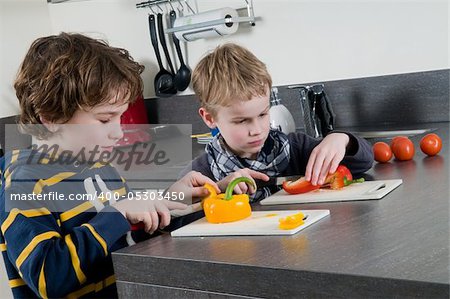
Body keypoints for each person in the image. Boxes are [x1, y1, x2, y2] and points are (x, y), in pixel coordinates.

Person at [0, 32, 219, 298]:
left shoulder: (99, 165)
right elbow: (49, 278)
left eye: (120, 117)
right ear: (51, 117)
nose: (118, 132)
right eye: (105, 119)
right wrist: (117, 213)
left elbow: (127, 235)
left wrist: (173, 200)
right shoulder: (24, 185)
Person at [180, 43, 373, 200]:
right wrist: (215, 192)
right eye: (241, 121)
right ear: (209, 118)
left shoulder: (296, 147)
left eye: (263, 115)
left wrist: (341, 140)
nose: (256, 130)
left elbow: (363, 163)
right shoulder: (200, 173)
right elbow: (170, 220)